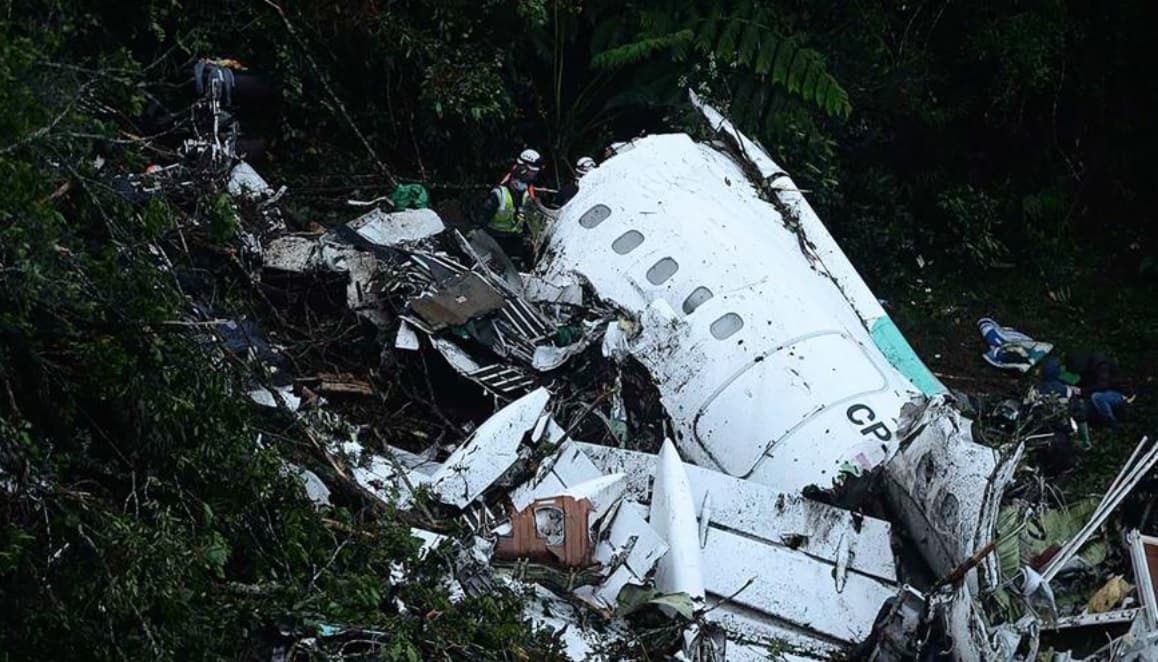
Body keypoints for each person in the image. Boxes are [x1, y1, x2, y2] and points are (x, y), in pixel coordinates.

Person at [475, 149, 543, 261]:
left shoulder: (527, 194)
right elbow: (482, 219)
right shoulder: (500, 193)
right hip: (495, 240)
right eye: (532, 172)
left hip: (516, 241)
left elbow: (530, 219)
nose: (533, 176)